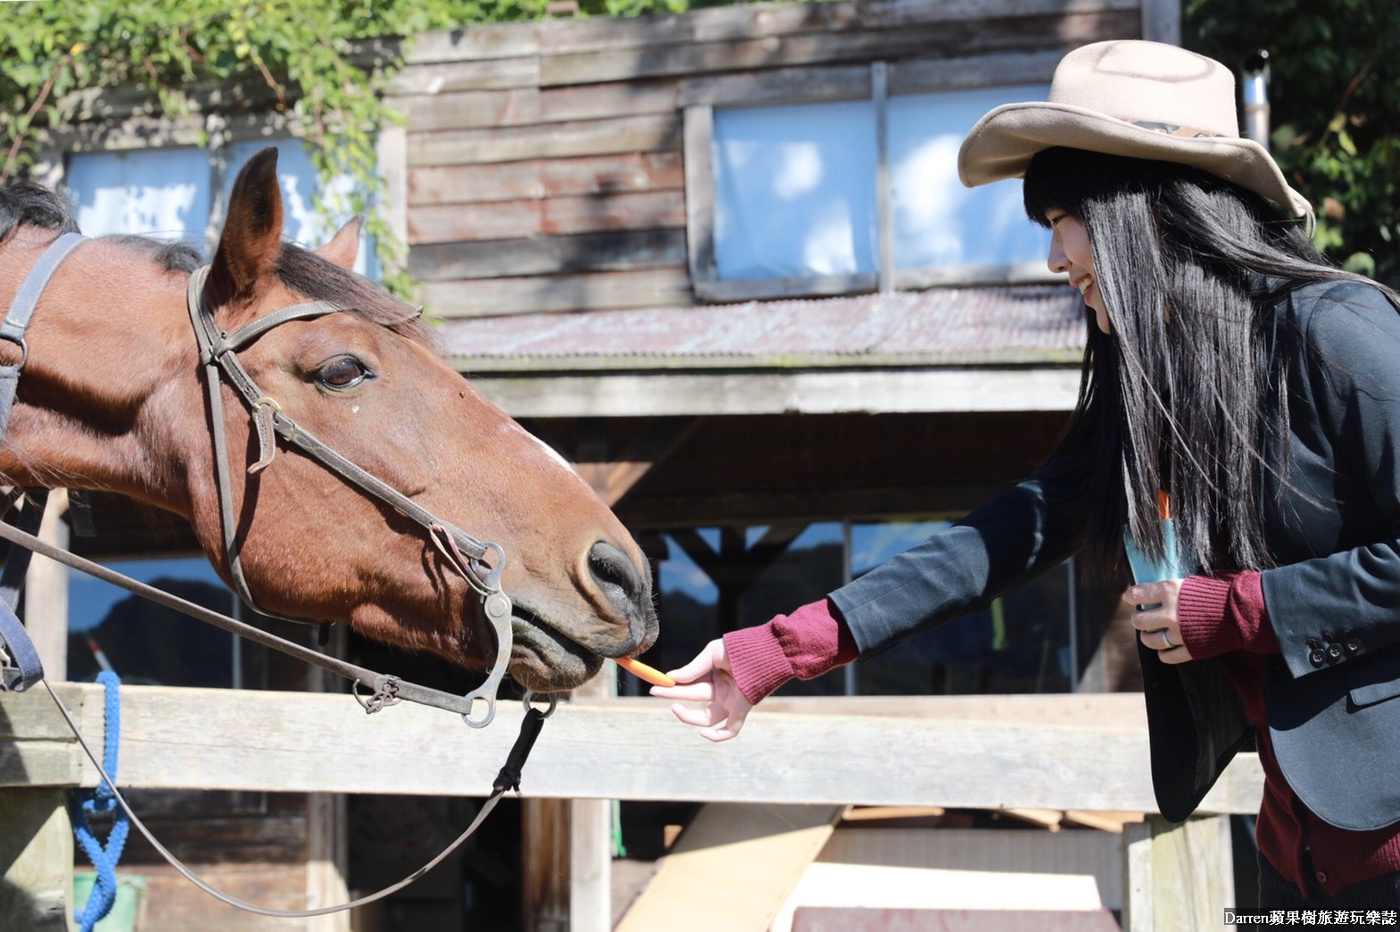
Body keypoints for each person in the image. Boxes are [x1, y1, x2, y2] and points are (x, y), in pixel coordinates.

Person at [649, 39, 1400, 910]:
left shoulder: (1341, 333)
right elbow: (990, 545)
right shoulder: (1154, 389)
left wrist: (1234, 609)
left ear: (1143, 212)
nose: (1052, 260)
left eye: (1059, 220)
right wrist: (773, 653)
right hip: (1290, 863)